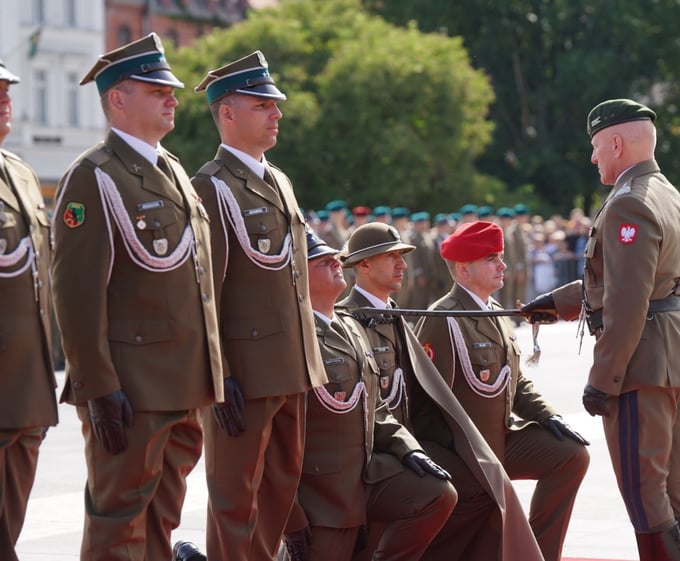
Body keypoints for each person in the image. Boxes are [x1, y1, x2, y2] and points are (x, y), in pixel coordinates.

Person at [50, 33, 224, 561]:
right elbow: (76, 293)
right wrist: (98, 386)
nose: (172, 97)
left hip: (182, 381)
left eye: (170, 88)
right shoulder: (93, 176)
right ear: (118, 100)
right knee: (118, 521)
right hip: (130, 386)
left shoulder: (170, 168)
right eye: (155, 89)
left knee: (161, 518)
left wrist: (214, 373)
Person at [521, 99, 680, 561]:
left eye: (596, 147)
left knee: (646, 497)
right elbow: (622, 279)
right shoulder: (665, 191)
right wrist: (557, 303)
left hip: (641, 363)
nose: (593, 157)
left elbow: (627, 299)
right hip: (673, 353)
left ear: (617, 143)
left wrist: (603, 380)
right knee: (671, 491)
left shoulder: (627, 201)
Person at [189, 51, 329, 561]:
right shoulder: (211, 185)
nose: (277, 113)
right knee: (234, 493)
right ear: (227, 114)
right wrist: (217, 371)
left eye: (275, 105)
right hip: (243, 370)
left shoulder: (279, 180)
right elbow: (206, 289)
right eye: (261, 104)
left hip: (291, 364)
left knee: (280, 485)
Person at [338, 222, 544, 561]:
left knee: (483, 480)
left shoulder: (392, 313)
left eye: (402, 256)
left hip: (407, 440)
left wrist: (450, 442)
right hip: (375, 449)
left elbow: (425, 394)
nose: (403, 265)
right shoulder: (350, 319)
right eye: (392, 257)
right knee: (456, 488)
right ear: (364, 265)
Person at [414, 220, 590, 561]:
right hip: (466, 449)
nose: (502, 265)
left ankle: (538, 553)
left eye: (500, 257)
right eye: (492, 258)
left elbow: (516, 380)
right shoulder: (443, 318)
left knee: (570, 454)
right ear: (464, 270)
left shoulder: (496, 312)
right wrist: (453, 455)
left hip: (500, 439)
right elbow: (426, 397)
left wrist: (548, 415)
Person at [281, 231, 456, 561]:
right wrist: (291, 518)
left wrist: (408, 450)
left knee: (436, 494)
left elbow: (374, 404)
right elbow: (276, 437)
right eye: (323, 261)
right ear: (298, 275)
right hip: (323, 497)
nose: (337, 262)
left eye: (335, 257)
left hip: (367, 477)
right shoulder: (293, 337)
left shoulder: (349, 327)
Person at [0, 57, 58, 561]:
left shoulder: (19, 172)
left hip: (28, 386)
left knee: (11, 522)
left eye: (7, 89)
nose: (5, 99)